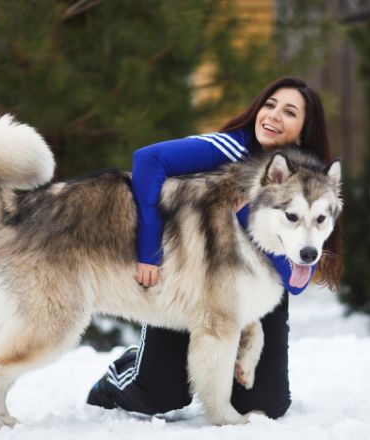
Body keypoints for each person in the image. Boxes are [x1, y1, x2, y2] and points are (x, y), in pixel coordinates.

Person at [87, 76, 343, 420]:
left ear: (302, 130)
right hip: (191, 278)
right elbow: (147, 161)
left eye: (289, 112)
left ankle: (235, 357)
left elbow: (296, 282)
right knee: (160, 393)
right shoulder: (229, 147)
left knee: (265, 404)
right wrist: (148, 249)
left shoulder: (314, 184)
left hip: (257, 286)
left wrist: (244, 212)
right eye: (269, 105)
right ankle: (122, 371)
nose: (273, 116)